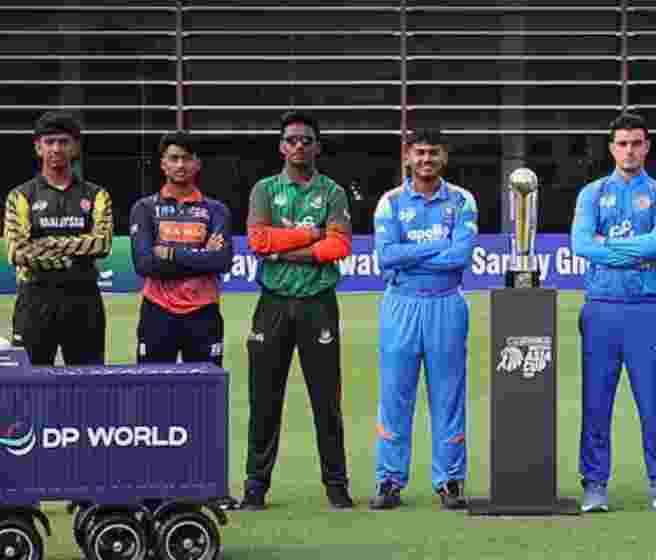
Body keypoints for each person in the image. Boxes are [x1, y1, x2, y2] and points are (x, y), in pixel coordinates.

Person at [240, 111, 354, 510]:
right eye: (292, 140)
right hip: (272, 303)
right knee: (264, 397)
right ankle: (255, 485)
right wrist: (310, 237)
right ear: (281, 146)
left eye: (306, 139)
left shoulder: (333, 192)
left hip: (318, 304)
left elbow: (339, 247)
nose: (299, 146)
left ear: (317, 146)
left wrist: (283, 247)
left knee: (326, 399)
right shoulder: (265, 190)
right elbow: (258, 240)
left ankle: (337, 486)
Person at [570, 112, 656, 513]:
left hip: (646, 310)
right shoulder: (591, 194)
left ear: (646, 146)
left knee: (653, 402)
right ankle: (595, 484)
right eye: (622, 143)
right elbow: (582, 245)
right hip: (600, 308)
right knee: (596, 402)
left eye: (636, 142)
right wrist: (638, 251)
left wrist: (613, 250)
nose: (629, 150)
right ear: (612, 148)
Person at [370, 129, 479, 510]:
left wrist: (412, 251)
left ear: (443, 157)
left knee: (448, 395)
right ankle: (389, 480)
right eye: (419, 153)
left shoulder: (462, 201)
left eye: (433, 153)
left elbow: (459, 257)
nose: (426, 159)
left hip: (446, 303)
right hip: (401, 303)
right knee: (395, 395)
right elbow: (387, 256)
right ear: (407, 157)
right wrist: (437, 246)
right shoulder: (391, 202)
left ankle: (449, 480)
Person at [4, 111, 112, 365]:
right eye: (49, 141)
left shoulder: (97, 195)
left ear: (74, 147)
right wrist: (74, 251)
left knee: (89, 384)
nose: (56, 148)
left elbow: (102, 243)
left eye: (63, 142)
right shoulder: (20, 196)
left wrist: (43, 245)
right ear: (38, 147)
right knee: (30, 386)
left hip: (83, 300)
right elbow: (17, 253)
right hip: (34, 299)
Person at [129, 132, 232, 366]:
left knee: (205, 396)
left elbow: (222, 261)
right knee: (151, 393)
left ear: (197, 164)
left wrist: (170, 253)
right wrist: (202, 256)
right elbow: (144, 264)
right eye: (173, 158)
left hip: (203, 312)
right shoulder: (144, 208)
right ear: (163, 164)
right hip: (157, 311)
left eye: (186, 158)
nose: (180, 165)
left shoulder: (216, 210)